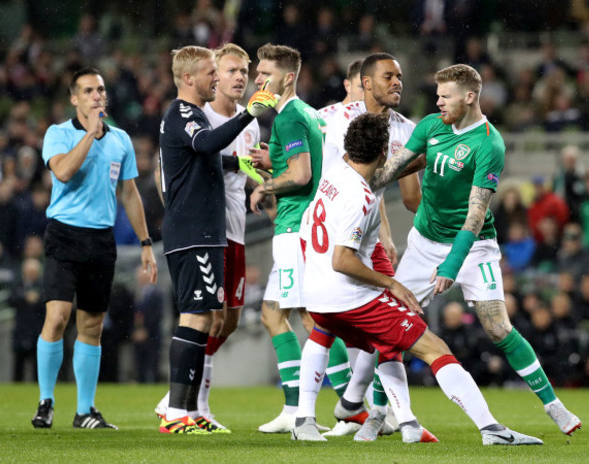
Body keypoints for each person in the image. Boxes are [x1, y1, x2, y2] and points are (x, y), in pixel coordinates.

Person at [295, 112, 542, 445]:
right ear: (383, 153)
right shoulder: (362, 198)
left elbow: (310, 231)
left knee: (388, 345)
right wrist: (392, 283)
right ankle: (492, 430)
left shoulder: (333, 175)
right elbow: (342, 260)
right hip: (350, 299)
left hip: (318, 298)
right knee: (434, 349)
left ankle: (383, 415)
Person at [370, 64, 581, 436]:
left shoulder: (489, 143)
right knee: (392, 329)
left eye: (445, 96)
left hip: (474, 248)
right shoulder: (431, 126)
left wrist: (453, 263)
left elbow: (475, 213)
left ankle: (554, 406)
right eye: (437, 96)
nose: (438, 103)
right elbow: (388, 172)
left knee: (499, 327)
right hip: (422, 244)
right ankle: (379, 414)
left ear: (469, 97)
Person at [299, 52, 427, 442]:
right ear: (366, 82)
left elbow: (407, 199)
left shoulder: (407, 129)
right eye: (389, 76)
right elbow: (303, 156)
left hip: (366, 231)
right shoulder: (333, 117)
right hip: (326, 231)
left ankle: (367, 408)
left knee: (384, 324)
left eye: (400, 76)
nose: (397, 83)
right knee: (325, 321)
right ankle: (307, 416)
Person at [155, 45, 276, 435]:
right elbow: (205, 145)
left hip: (205, 231)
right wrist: (247, 114)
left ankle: (188, 410)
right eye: (212, 72)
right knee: (195, 316)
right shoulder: (184, 114)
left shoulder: (190, 116)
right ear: (189, 78)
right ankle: (176, 410)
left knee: (208, 317)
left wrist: (247, 166)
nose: (218, 79)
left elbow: (213, 158)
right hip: (194, 230)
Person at [31, 67, 158, 430]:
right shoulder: (58, 134)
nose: (96, 96)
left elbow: (129, 194)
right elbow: (64, 173)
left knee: (91, 326)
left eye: (100, 89)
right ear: (74, 98)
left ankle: (85, 410)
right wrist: (89, 136)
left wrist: (146, 242)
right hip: (64, 235)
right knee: (56, 317)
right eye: (88, 91)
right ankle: (46, 401)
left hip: (101, 239)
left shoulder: (120, 140)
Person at [248, 43, 348, 434]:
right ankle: (297, 406)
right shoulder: (306, 113)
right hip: (307, 226)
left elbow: (303, 175)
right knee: (276, 314)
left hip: (296, 227)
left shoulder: (289, 116)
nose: (258, 79)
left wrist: (266, 185)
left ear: (287, 77)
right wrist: (273, 163)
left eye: (265, 72)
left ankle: (354, 404)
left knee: (310, 317)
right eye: (257, 73)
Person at [317, 59, 364, 124]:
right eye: (361, 87)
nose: (367, 93)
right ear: (348, 85)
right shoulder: (324, 118)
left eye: (372, 88)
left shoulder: (378, 120)